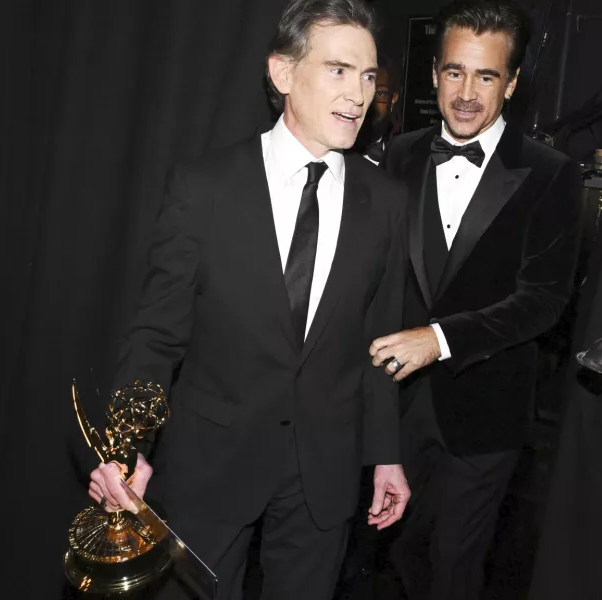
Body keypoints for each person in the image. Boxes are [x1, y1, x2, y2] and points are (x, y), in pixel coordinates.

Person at [88, 1, 411, 598]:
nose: (359, 93)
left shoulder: (387, 204)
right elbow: (158, 333)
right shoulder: (204, 186)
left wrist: (386, 455)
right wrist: (126, 443)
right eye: (338, 70)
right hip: (212, 462)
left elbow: (380, 339)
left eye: (368, 76)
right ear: (282, 74)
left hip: (325, 467)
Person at [371, 1, 584, 598]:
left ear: (512, 83)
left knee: (455, 565)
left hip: (486, 410)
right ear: (435, 73)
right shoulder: (397, 157)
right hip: (395, 408)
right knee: (397, 553)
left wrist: (439, 340)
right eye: (455, 73)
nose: (467, 93)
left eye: (486, 76)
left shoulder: (550, 174)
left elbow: (543, 301)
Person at [354, 53, 400, 165]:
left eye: (380, 93)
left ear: (393, 99)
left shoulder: (402, 157)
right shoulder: (333, 148)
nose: (370, 101)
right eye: (364, 90)